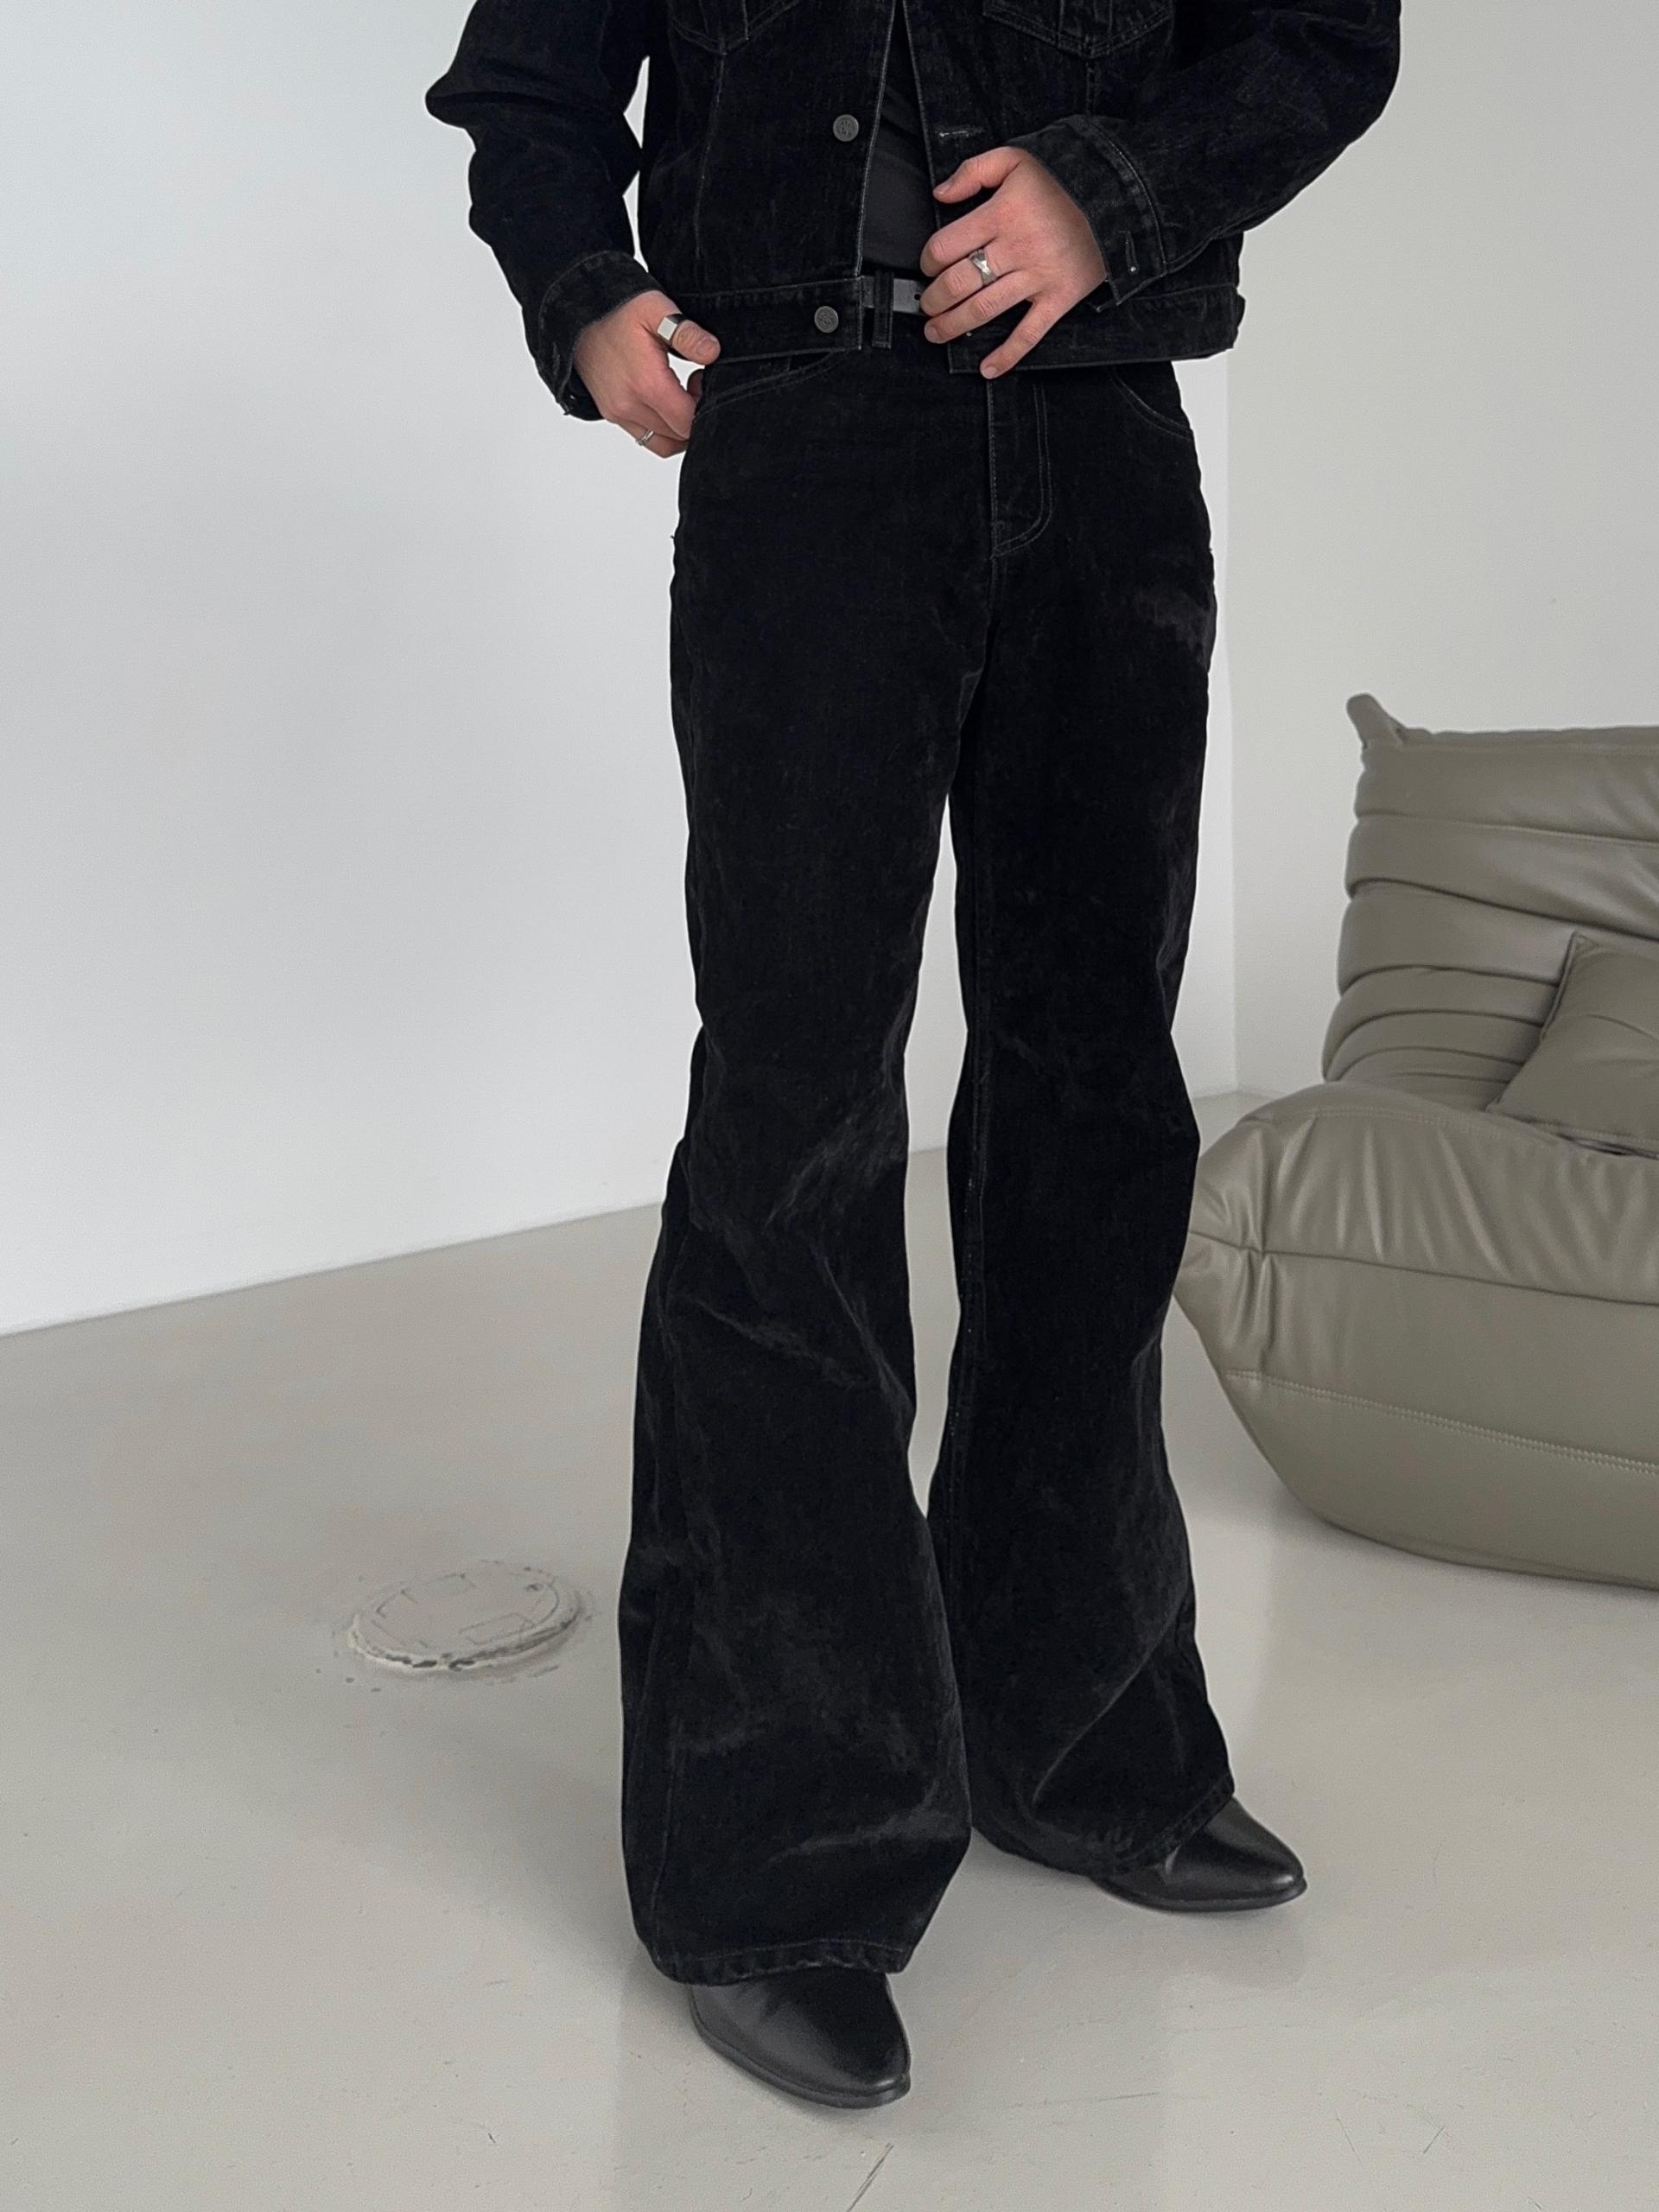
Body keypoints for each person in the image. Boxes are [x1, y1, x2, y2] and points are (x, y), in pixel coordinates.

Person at [426, 0, 1402, 2110]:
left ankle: (1078, 1733)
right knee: (791, 1124)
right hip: (804, 446)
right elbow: (524, 80)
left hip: (1102, 430)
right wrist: (580, 286)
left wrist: (1109, 198)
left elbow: (1325, 30)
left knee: (1094, 1108)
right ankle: (782, 1850)